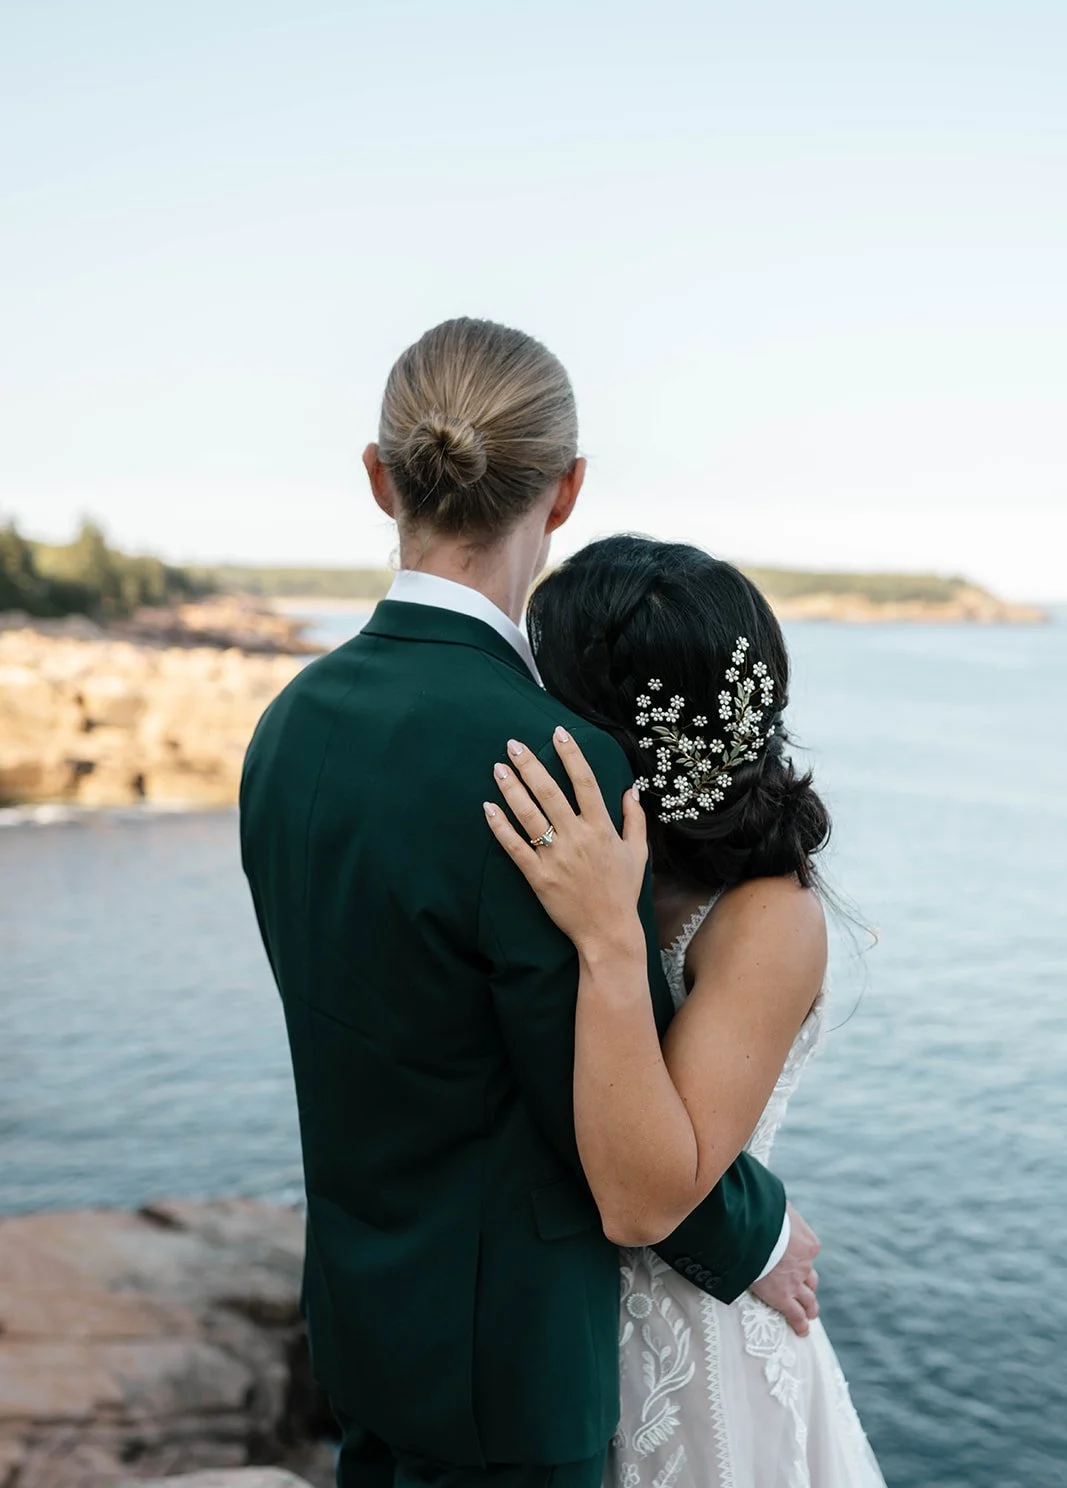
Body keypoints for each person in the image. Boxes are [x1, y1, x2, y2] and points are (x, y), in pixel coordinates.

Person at [239, 318, 819, 1488]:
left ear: (377, 477)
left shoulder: (287, 725)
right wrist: (750, 1227)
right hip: (507, 1365)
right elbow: (589, 1095)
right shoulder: (552, 763)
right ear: (564, 493)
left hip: (362, 1319)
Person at [482, 535, 886, 1488]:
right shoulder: (555, 853)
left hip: (696, 1351)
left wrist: (608, 938)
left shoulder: (767, 919)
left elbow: (641, 1198)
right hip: (551, 1333)